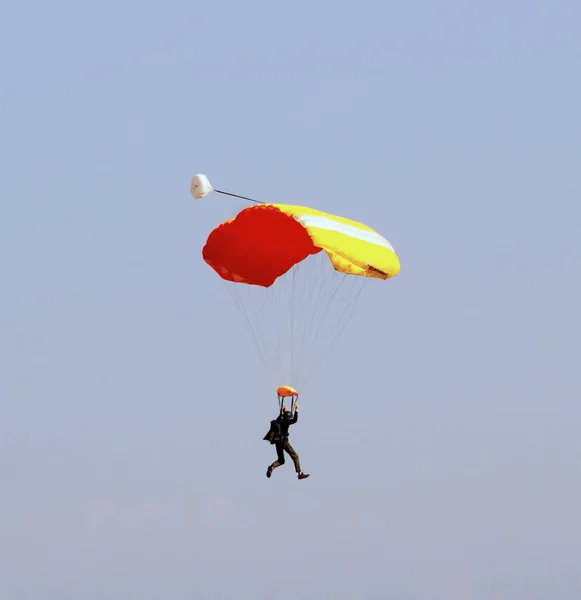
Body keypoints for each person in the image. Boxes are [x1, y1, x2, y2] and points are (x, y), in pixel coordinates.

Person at [264, 403, 310, 480]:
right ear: (288, 418)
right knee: (295, 456)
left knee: (281, 460)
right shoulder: (286, 422)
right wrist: (297, 409)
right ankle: (300, 473)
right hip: (283, 441)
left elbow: (281, 417)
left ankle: (272, 467)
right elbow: (294, 420)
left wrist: (283, 411)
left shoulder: (279, 420)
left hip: (277, 442)